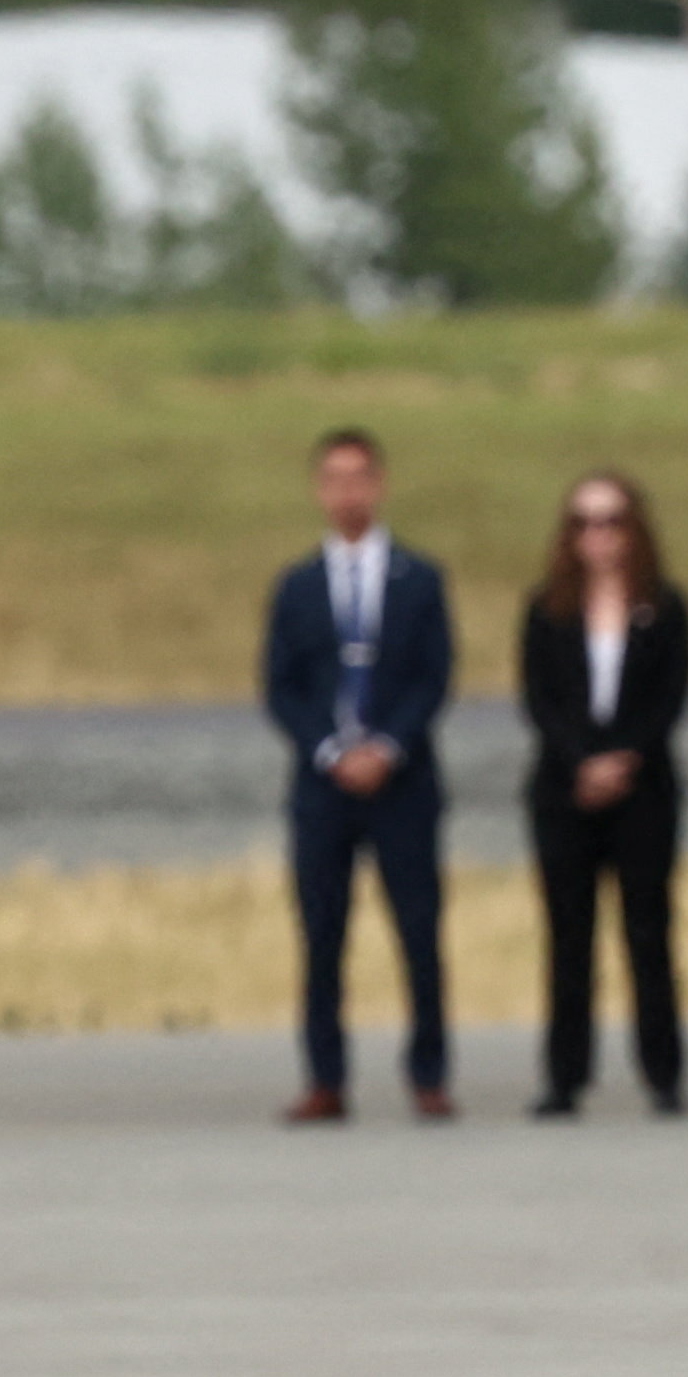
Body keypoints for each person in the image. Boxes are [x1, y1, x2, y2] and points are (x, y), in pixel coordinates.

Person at [258, 425, 457, 1126]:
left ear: (379, 484)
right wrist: (331, 751)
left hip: (402, 784)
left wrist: (389, 747)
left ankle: (429, 1073)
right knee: (322, 933)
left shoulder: (419, 578)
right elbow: (281, 687)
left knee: (419, 929)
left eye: (359, 478)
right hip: (323, 787)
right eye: (334, 479)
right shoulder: (298, 585)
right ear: (319, 489)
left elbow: (435, 676)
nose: (348, 492)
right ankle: (325, 1078)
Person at [517, 467, 688, 1120]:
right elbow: (538, 699)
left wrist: (625, 758)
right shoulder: (546, 609)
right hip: (564, 792)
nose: (599, 536)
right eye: (585, 522)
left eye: (612, 520)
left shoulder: (666, 608)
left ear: (635, 529)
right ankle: (565, 1076)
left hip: (644, 790)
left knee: (648, 933)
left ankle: (664, 1072)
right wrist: (583, 762)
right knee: (570, 937)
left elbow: (672, 696)